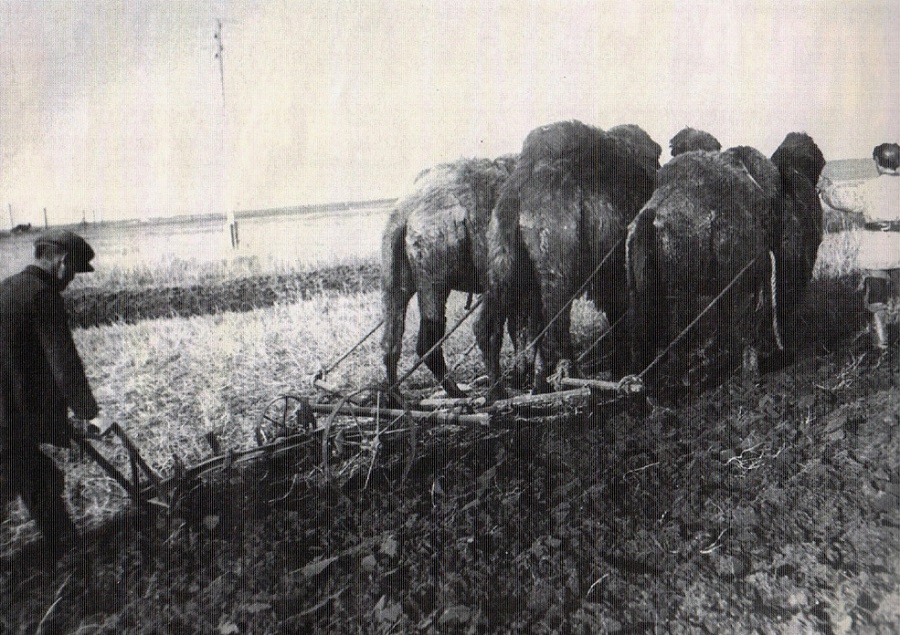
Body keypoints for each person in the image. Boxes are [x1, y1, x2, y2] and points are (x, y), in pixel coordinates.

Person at [0, 229, 101, 573]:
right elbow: (63, 362)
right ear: (62, 262)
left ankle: (66, 548)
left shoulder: (8, 289)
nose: (71, 279)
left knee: (36, 477)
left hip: (8, 416)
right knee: (29, 478)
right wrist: (90, 414)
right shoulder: (42, 296)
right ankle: (68, 553)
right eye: (74, 271)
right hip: (8, 420)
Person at [820, 142, 900, 350]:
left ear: (877, 162)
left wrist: (826, 188)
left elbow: (842, 200)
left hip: (877, 249)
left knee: (877, 301)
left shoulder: (869, 188)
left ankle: (881, 348)